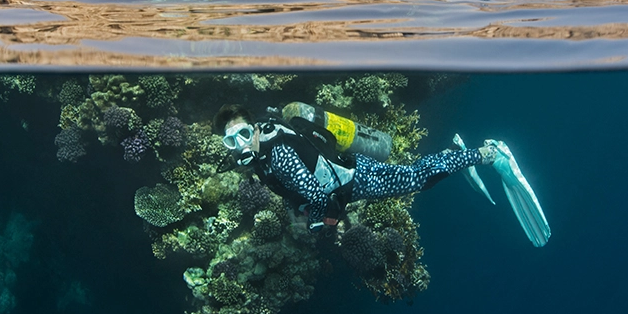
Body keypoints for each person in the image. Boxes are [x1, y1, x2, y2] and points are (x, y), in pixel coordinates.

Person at [212, 104, 497, 231]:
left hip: (353, 182)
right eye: (231, 140)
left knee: (418, 180)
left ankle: (486, 154)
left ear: (255, 130)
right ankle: (453, 156)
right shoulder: (267, 132)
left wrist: (318, 223)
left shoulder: (278, 156)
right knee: (411, 172)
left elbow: (318, 196)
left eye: (244, 135)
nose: (240, 145)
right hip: (351, 164)